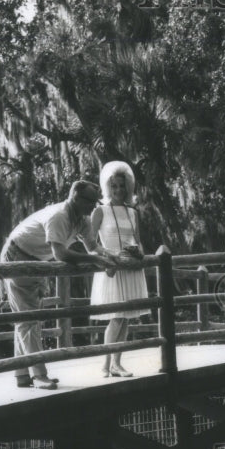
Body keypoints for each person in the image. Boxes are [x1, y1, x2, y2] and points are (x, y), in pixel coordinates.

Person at [1, 180, 116, 390]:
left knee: (26, 319)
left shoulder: (82, 220)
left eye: (96, 202)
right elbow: (60, 254)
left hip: (36, 261)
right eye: (90, 202)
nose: (94, 206)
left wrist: (110, 257)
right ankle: (39, 376)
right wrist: (95, 260)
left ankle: (22, 375)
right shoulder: (60, 216)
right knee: (29, 319)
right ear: (75, 198)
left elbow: (92, 247)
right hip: (17, 254)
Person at [90, 161, 150, 377]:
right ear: (107, 187)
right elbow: (90, 243)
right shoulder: (100, 211)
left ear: (128, 187)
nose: (118, 190)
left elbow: (138, 241)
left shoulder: (133, 212)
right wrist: (107, 257)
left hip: (130, 266)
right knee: (116, 317)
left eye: (122, 186)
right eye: (114, 186)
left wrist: (139, 253)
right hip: (112, 268)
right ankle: (106, 364)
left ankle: (116, 363)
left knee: (125, 318)